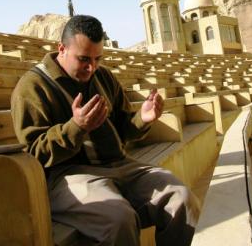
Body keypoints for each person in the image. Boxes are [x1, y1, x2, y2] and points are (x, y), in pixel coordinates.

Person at [11, 15, 200, 246]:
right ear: (62, 49)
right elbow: (34, 153)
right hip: (68, 176)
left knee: (182, 199)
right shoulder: (32, 86)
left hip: (121, 165)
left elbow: (124, 128)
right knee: (119, 220)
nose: (92, 67)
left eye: (97, 58)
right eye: (83, 59)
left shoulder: (103, 76)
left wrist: (143, 118)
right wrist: (76, 128)